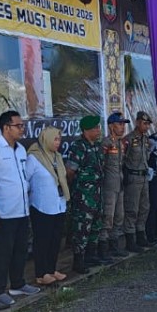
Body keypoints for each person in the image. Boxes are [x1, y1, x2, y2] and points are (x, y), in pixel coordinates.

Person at [0, 110, 42, 302]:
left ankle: (18, 284)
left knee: (20, 249)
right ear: (5, 128)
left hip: (22, 208)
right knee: (2, 252)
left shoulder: (20, 149)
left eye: (22, 125)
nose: (22, 129)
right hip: (4, 211)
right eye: (18, 126)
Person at [27, 126, 69, 285]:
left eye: (59, 139)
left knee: (55, 240)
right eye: (55, 139)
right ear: (47, 139)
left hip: (58, 204)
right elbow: (26, 180)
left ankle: (51, 269)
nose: (58, 142)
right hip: (41, 206)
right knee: (42, 241)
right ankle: (41, 273)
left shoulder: (56, 156)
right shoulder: (34, 158)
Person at [66, 115, 106, 274]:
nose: (98, 130)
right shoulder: (78, 147)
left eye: (98, 127)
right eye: (95, 128)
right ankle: (79, 260)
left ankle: (91, 255)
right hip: (84, 195)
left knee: (96, 224)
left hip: (97, 193)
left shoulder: (97, 146)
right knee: (82, 227)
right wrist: (78, 187)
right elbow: (70, 171)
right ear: (86, 130)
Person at [122, 111, 154, 253]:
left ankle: (141, 235)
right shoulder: (128, 140)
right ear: (137, 122)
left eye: (148, 124)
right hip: (133, 178)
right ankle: (130, 240)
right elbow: (121, 160)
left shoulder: (146, 140)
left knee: (144, 207)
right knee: (132, 209)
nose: (146, 126)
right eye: (144, 123)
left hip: (144, 177)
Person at [100, 111, 129, 259]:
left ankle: (115, 246)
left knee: (119, 216)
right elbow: (101, 165)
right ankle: (104, 250)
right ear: (111, 126)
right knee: (108, 217)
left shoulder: (120, 143)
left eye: (123, 124)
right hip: (109, 186)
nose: (122, 127)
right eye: (119, 124)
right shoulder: (106, 143)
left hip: (119, 184)